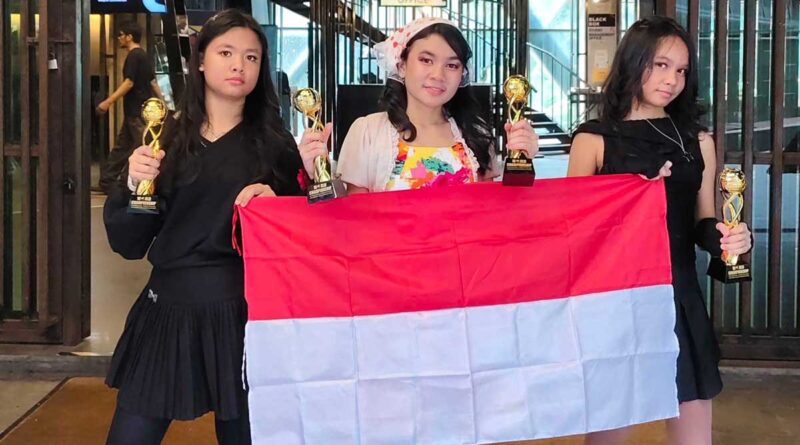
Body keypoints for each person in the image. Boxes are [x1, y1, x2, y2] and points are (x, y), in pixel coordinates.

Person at [103, 10, 314, 445]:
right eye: (226, 53)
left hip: (246, 313)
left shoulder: (276, 145)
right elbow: (129, 243)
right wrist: (133, 184)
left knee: (244, 435)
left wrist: (280, 205)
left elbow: (304, 240)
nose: (239, 65)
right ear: (200, 61)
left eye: (252, 57)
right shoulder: (164, 139)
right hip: (169, 307)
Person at [567, 16, 752, 445]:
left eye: (681, 70)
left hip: (679, 295)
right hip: (616, 300)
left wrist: (731, 239)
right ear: (633, 62)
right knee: (608, 432)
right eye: (660, 65)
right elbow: (574, 231)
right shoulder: (592, 140)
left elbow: (702, 221)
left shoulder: (697, 140)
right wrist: (630, 195)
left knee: (694, 430)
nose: (672, 80)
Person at [298, 17, 538, 192]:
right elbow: (350, 218)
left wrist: (523, 161)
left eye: (452, 65)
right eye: (426, 60)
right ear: (401, 65)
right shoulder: (367, 132)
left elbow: (493, 215)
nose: (438, 75)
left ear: (462, 74)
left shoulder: (476, 135)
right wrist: (316, 173)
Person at [96, 21, 165, 193]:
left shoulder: (133, 56)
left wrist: (108, 101)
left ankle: (144, 182)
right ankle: (108, 181)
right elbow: (153, 82)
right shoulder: (143, 55)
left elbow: (129, 82)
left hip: (136, 111)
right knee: (123, 146)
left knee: (144, 146)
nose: (119, 38)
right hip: (139, 110)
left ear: (129, 37)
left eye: (121, 35)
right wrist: (163, 102)